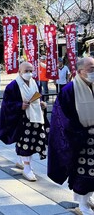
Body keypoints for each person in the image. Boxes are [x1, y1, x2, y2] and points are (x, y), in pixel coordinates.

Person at [48, 57, 94, 215]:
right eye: (91, 69)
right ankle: (82, 205)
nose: (93, 72)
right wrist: (79, 133)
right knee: (83, 171)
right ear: (80, 72)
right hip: (80, 138)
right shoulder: (69, 90)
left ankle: (87, 199)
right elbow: (61, 117)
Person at [0, 62, 48, 182]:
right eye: (26, 71)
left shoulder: (35, 83)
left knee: (34, 141)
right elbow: (6, 104)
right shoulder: (12, 86)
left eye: (31, 71)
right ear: (20, 71)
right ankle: (27, 168)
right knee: (25, 142)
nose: (29, 73)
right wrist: (18, 106)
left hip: (35, 117)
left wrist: (41, 104)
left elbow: (38, 97)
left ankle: (21, 160)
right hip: (22, 119)